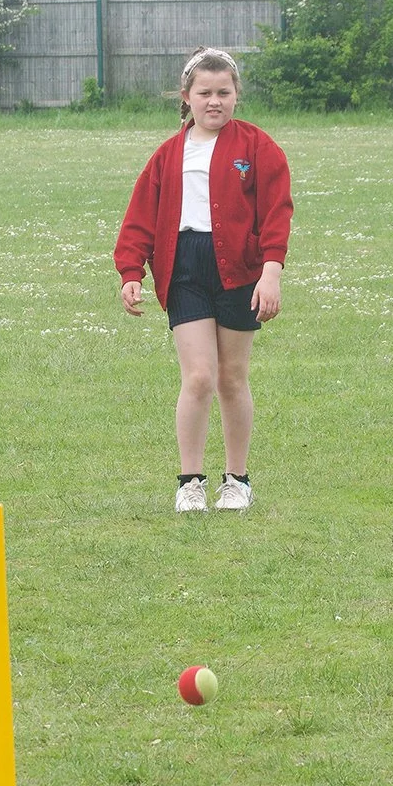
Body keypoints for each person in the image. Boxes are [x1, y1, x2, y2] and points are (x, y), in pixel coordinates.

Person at [115, 47, 293, 513]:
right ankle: (190, 481)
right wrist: (131, 271)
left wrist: (270, 272)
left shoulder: (258, 147)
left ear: (236, 95)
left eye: (224, 92)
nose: (215, 101)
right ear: (186, 97)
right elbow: (140, 218)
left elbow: (277, 213)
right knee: (198, 377)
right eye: (205, 93)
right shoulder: (168, 155)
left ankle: (237, 480)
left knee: (231, 378)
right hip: (185, 269)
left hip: (240, 271)